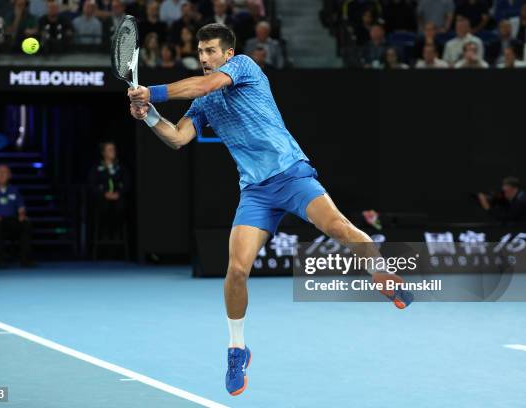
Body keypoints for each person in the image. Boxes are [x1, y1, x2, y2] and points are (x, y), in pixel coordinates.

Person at [127, 23, 413, 397]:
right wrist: (148, 115)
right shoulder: (204, 104)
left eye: (211, 51)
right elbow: (178, 138)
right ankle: (236, 348)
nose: (204, 58)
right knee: (236, 271)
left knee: (340, 228)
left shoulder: (244, 65)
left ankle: (382, 273)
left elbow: (204, 84)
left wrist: (154, 92)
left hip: (291, 174)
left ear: (228, 54)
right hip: (256, 193)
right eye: (200, 52)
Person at [0, 165, 34, 268]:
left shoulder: (14, 190)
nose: (1, 175)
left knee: (26, 223)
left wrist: (22, 215)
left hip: (12, 220)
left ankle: (25, 260)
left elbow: (21, 208)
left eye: (4, 172)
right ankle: (0, 260)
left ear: (9, 175)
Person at [88, 142, 130, 240]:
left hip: (118, 199)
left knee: (121, 206)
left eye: (114, 149)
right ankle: (104, 233)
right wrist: (104, 194)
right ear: (103, 153)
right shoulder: (97, 168)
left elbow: (127, 183)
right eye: (110, 150)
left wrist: (119, 193)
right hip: (102, 199)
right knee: (103, 207)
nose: (113, 151)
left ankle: (116, 233)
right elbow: (92, 185)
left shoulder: (121, 168)